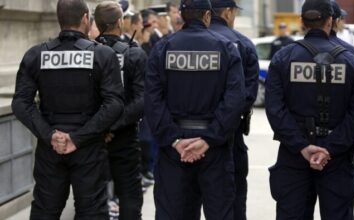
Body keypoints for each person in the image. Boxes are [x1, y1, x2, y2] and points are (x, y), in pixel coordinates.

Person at [11, 0, 124, 219]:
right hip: (89, 147)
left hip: (50, 147)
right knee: (92, 213)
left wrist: (50, 135)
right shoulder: (102, 55)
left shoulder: (36, 54)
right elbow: (115, 104)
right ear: (85, 18)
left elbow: (20, 103)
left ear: (59, 18)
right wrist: (78, 138)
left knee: (45, 210)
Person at [265, 0, 354, 219]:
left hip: (294, 156)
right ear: (330, 21)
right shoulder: (352, 60)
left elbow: (275, 109)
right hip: (338, 158)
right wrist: (329, 148)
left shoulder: (283, 58)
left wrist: (302, 146)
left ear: (302, 22)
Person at [144, 0, 246, 219]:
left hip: (174, 151)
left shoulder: (162, 47)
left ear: (182, 15)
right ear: (207, 16)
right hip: (215, 149)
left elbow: (152, 100)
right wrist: (208, 139)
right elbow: (234, 100)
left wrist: (175, 141)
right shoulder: (225, 47)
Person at [94, 1, 146, 219]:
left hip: (92, 137)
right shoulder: (134, 54)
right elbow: (143, 100)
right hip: (123, 137)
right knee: (130, 197)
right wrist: (114, 125)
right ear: (119, 22)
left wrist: (100, 127)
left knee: (92, 199)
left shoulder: (87, 54)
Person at [209, 1, 259, 219]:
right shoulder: (243, 44)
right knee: (234, 197)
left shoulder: (175, 43)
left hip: (185, 137)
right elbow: (247, 95)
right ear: (228, 12)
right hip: (230, 135)